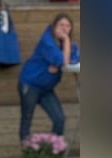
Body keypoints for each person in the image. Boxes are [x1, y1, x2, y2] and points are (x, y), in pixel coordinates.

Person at [17, 13, 80, 144]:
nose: (64, 29)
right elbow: (64, 61)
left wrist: (62, 59)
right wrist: (66, 45)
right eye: (61, 25)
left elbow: (74, 58)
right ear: (54, 27)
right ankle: (29, 156)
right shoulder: (47, 41)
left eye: (68, 26)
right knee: (27, 118)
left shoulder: (66, 45)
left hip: (46, 89)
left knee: (59, 118)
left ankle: (55, 153)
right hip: (31, 84)